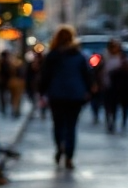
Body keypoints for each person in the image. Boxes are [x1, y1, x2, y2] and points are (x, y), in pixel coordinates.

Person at [39, 25, 95, 170]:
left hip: (56, 95)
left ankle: (60, 147)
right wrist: (89, 90)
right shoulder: (78, 55)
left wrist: (41, 92)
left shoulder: (52, 55)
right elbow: (87, 76)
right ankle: (69, 156)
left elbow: (45, 76)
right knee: (71, 126)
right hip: (75, 95)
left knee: (58, 124)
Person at [102, 39, 128, 134]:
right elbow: (99, 71)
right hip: (110, 86)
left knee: (125, 106)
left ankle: (123, 123)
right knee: (110, 107)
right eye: (112, 46)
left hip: (123, 86)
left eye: (116, 46)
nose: (114, 49)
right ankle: (111, 122)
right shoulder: (105, 57)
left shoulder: (124, 58)